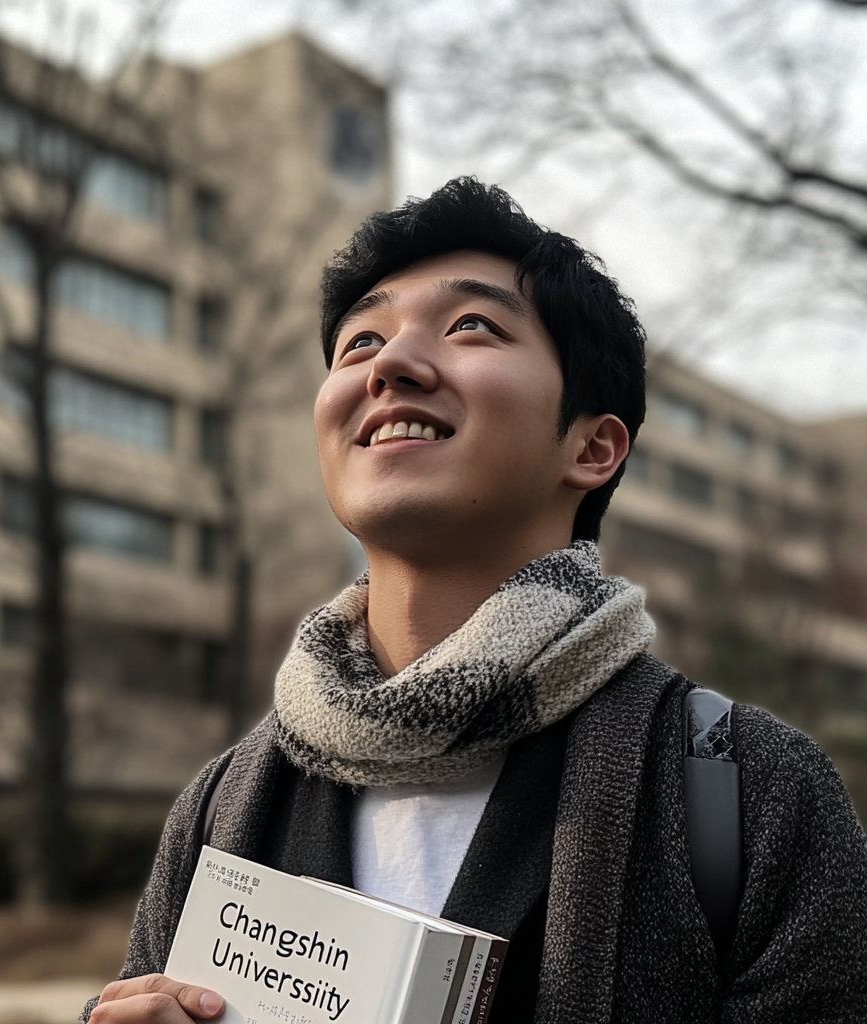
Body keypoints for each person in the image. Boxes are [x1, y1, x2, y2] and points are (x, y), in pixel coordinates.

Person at [83, 178, 867, 1024]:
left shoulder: (750, 790)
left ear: (594, 446)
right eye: (360, 343)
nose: (390, 365)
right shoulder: (222, 804)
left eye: (471, 327)